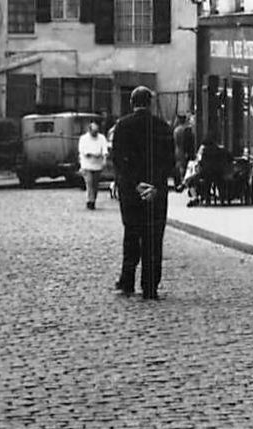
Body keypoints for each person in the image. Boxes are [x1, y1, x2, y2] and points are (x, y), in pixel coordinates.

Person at [109, 86, 177, 301]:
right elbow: (169, 161)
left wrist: (135, 184)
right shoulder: (163, 127)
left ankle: (127, 282)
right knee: (154, 238)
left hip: (131, 191)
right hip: (156, 192)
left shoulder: (122, 126)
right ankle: (150, 287)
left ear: (132, 102)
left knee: (131, 235)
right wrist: (155, 185)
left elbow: (118, 160)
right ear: (150, 103)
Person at [78, 119, 109, 210]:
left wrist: (104, 159)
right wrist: (89, 154)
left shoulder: (102, 138)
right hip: (87, 164)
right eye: (93, 132)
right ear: (89, 130)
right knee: (89, 182)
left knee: (95, 184)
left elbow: (104, 150)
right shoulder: (83, 138)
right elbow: (82, 150)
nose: (95, 133)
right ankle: (89, 201)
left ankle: (93, 199)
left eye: (96, 131)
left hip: (97, 165)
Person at [173, 114, 197, 190]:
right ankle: (184, 182)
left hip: (177, 149)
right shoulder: (187, 130)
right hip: (184, 150)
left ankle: (179, 182)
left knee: (179, 166)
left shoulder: (176, 130)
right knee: (185, 166)